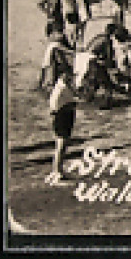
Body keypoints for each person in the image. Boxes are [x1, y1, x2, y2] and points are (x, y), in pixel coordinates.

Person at [45, 50, 77, 183]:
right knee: (61, 145)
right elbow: (54, 106)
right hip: (62, 117)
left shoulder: (62, 86)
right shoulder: (62, 88)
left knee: (62, 145)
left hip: (64, 116)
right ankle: (56, 172)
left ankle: (58, 170)